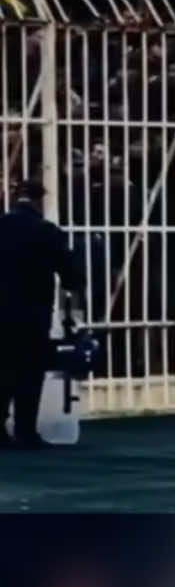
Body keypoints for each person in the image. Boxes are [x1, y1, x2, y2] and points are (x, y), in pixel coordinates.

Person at [0, 178, 81, 447]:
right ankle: (26, 430)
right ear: (39, 200)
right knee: (29, 372)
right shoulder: (48, 231)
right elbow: (70, 277)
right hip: (32, 311)